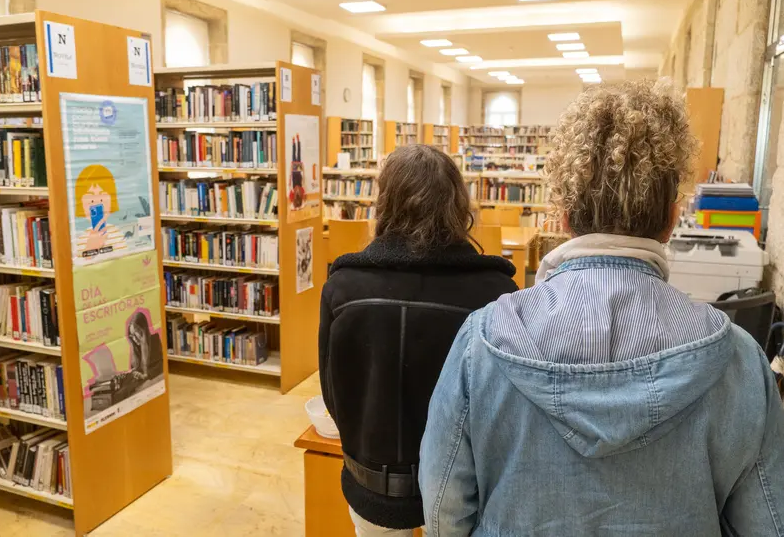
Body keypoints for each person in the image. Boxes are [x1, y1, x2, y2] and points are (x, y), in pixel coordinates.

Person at [419, 80, 784, 536]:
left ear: (565, 217)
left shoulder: (482, 341)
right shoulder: (741, 360)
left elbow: (441, 511)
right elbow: (768, 522)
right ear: (672, 221)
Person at [319, 144, 518, 536]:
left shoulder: (342, 289)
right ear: (459, 205)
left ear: (385, 203)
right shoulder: (496, 294)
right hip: (461, 488)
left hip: (370, 482)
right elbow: (501, 405)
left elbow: (333, 391)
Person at [74, 163, 128, 257]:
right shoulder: (80, 239)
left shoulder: (116, 234)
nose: (96, 204)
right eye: (91, 199)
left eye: (102, 199)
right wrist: (90, 248)